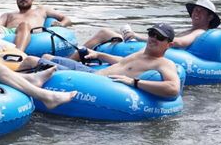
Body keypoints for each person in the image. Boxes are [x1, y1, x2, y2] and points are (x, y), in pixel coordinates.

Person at [40, 23, 181, 98]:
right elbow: (123, 62)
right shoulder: (141, 52)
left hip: (93, 81)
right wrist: (99, 55)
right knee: (46, 57)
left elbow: (174, 88)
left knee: (33, 61)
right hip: (92, 72)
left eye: (160, 37)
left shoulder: (164, 63)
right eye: (152, 34)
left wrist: (135, 82)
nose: (154, 38)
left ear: (169, 45)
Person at [71, 0, 221, 61]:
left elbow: (178, 42)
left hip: (161, 53)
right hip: (158, 49)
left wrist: (137, 36)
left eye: (201, 11)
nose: (196, 12)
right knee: (106, 33)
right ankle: (78, 56)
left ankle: (71, 58)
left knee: (104, 33)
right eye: (195, 10)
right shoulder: (191, 29)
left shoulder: (199, 32)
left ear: (209, 18)